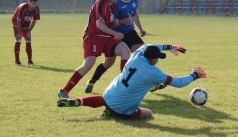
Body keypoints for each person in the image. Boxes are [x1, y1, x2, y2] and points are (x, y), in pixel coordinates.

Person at [57, 44, 206, 119]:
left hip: (109, 93)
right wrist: (195, 75)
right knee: (148, 113)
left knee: (105, 100)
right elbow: (178, 83)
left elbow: (147, 45)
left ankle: (77, 101)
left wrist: (169, 46)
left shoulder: (137, 54)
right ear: (153, 59)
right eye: (157, 58)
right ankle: (111, 113)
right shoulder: (153, 72)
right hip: (123, 109)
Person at [58, 0, 130, 98]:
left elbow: (109, 24)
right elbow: (99, 24)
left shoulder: (112, 5)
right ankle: (64, 91)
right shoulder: (101, 3)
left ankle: (124, 88)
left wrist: (119, 22)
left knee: (125, 50)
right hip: (93, 36)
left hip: (106, 36)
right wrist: (115, 33)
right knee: (89, 63)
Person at [85, 0, 147, 93]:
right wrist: (122, 21)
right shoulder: (115, 3)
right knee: (108, 62)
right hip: (116, 34)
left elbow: (134, 13)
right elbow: (111, 24)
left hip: (130, 32)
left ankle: (149, 83)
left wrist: (140, 28)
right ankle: (92, 81)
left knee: (143, 53)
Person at [11, 0, 40, 65]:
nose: (34, 5)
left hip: (26, 23)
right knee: (18, 39)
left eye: (35, 4)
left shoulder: (36, 9)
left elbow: (34, 20)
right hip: (16, 22)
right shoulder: (23, 8)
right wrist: (18, 33)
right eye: (32, 3)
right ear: (29, 2)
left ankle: (30, 61)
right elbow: (18, 20)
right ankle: (17, 61)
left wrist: (29, 32)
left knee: (28, 39)